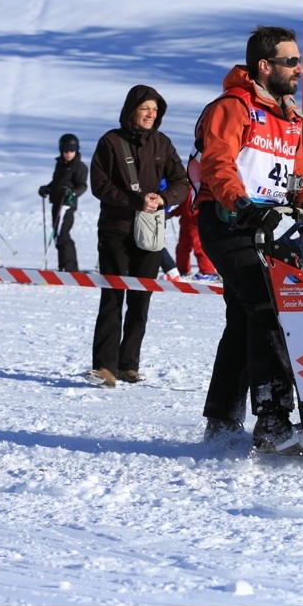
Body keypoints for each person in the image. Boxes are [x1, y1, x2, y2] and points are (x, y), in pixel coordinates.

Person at [191, 25, 303, 452]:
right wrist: (241, 203)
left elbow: (299, 172)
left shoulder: (291, 117)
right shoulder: (232, 107)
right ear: (265, 66)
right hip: (230, 220)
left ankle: (222, 419)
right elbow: (218, 162)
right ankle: (273, 420)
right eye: (290, 62)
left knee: (243, 318)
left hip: (272, 225)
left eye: (299, 61)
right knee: (268, 308)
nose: (299, 69)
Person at [86, 85, 188, 389]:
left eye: (156, 110)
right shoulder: (110, 142)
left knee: (141, 301)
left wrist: (163, 198)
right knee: (113, 297)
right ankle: (105, 367)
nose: (151, 114)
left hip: (151, 232)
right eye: (146, 108)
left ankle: (129, 365)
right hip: (115, 231)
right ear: (132, 109)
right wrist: (134, 201)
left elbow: (182, 183)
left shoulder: (162, 143)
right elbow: (99, 185)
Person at [39, 134, 88, 272]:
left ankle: (71, 268)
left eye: (71, 150)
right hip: (56, 202)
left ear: (76, 150)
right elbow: (56, 183)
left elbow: (82, 186)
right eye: (65, 150)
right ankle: (63, 266)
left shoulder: (80, 166)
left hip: (67, 204)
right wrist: (47, 189)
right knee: (57, 235)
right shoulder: (60, 164)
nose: (68, 153)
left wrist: (72, 193)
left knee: (63, 235)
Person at [167, 185, 218, 280]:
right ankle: (183, 269)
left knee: (199, 246)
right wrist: (171, 213)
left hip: (196, 221)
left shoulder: (198, 187)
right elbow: (182, 205)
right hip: (185, 221)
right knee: (182, 246)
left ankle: (208, 270)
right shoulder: (186, 188)